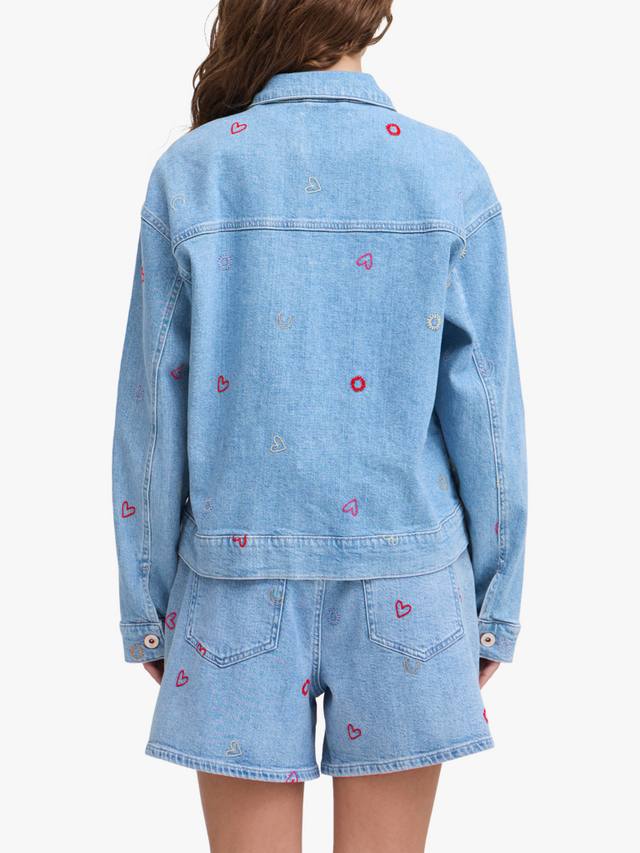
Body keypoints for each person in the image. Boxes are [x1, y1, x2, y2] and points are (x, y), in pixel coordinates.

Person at [111, 1, 527, 850]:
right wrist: (494, 602)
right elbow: (487, 410)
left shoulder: (195, 172)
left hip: (233, 582)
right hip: (410, 580)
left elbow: (151, 414)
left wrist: (147, 603)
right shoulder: (445, 172)